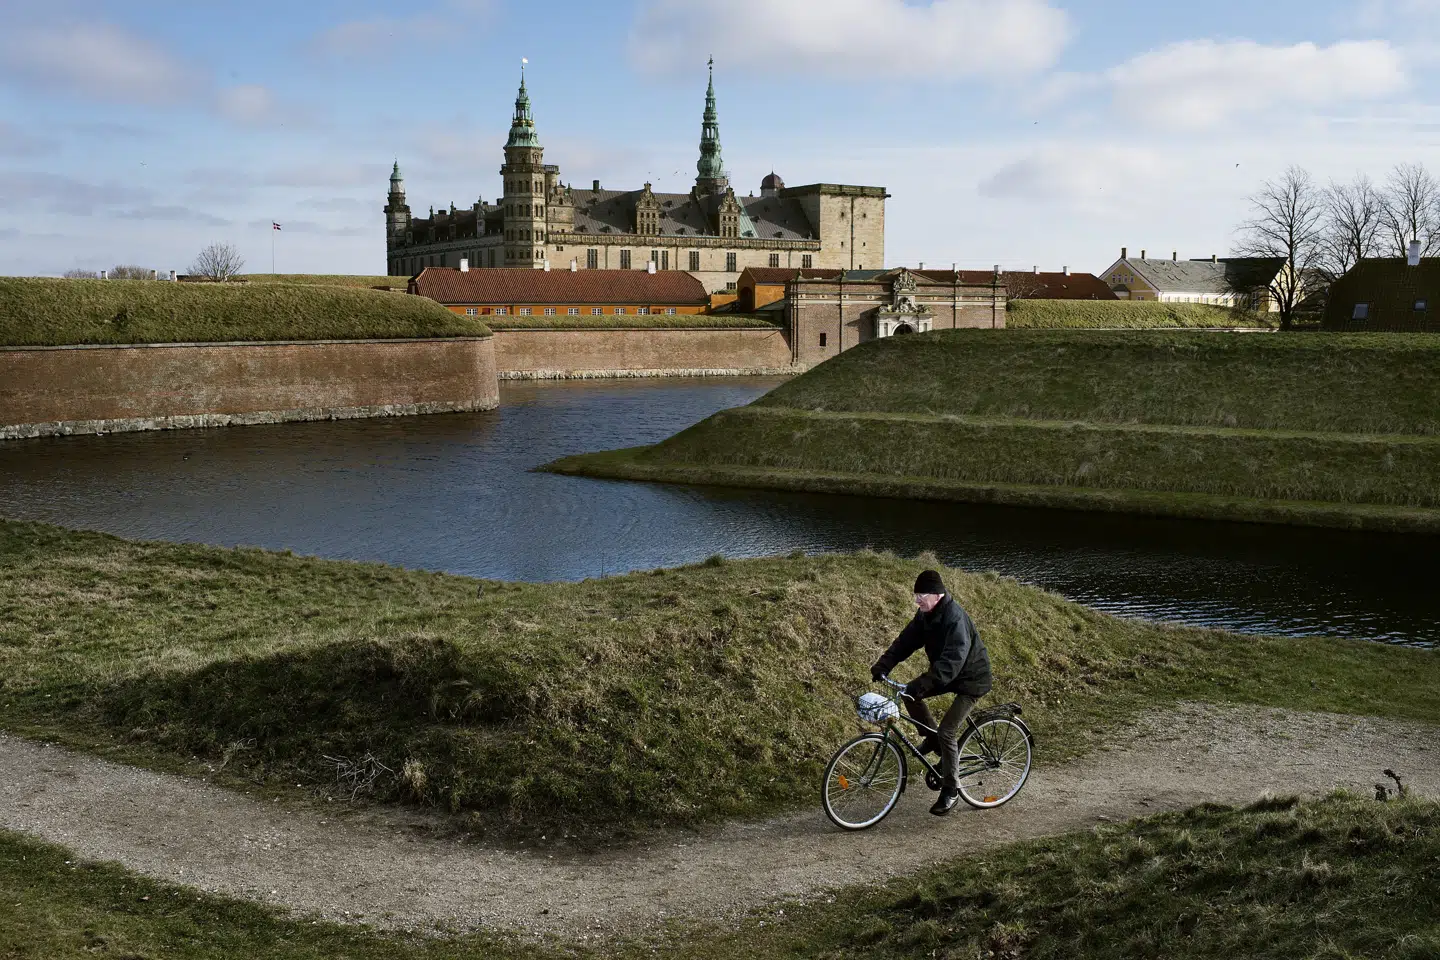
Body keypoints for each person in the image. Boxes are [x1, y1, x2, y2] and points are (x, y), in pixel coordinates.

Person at [870, 569, 992, 816]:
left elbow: (952, 661)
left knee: (947, 731)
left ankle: (951, 790)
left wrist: (924, 683)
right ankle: (933, 739)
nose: (917, 600)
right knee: (909, 694)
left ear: (937, 595)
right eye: (915, 595)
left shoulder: (954, 619)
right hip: (949, 674)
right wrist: (884, 665)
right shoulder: (925, 615)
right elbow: (905, 642)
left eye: (921, 595)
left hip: (971, 679)